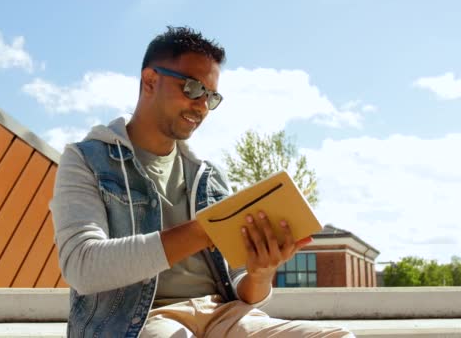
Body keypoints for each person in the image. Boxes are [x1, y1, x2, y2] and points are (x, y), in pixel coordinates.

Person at [51, 26, 354, 338]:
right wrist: (203, 231)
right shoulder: (86, 160)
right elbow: (82, 266)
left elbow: (244, 289)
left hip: (223, 315)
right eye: (193, 88)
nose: (201, 106)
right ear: (150, 81)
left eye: (211, 97)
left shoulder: (207, 177)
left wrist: (260, 273)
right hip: (141, 322)